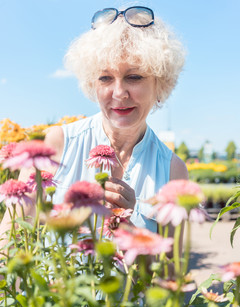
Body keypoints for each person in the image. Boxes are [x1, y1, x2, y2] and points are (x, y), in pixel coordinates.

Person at [0, 5, 188, 237]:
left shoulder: (173, 170)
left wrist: (129, 231)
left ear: (161, 82)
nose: (119, 93)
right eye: (105, 78)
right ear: (92, 84)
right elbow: (8, 239)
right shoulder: (55, 144)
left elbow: (172, 268)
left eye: (134, 76)